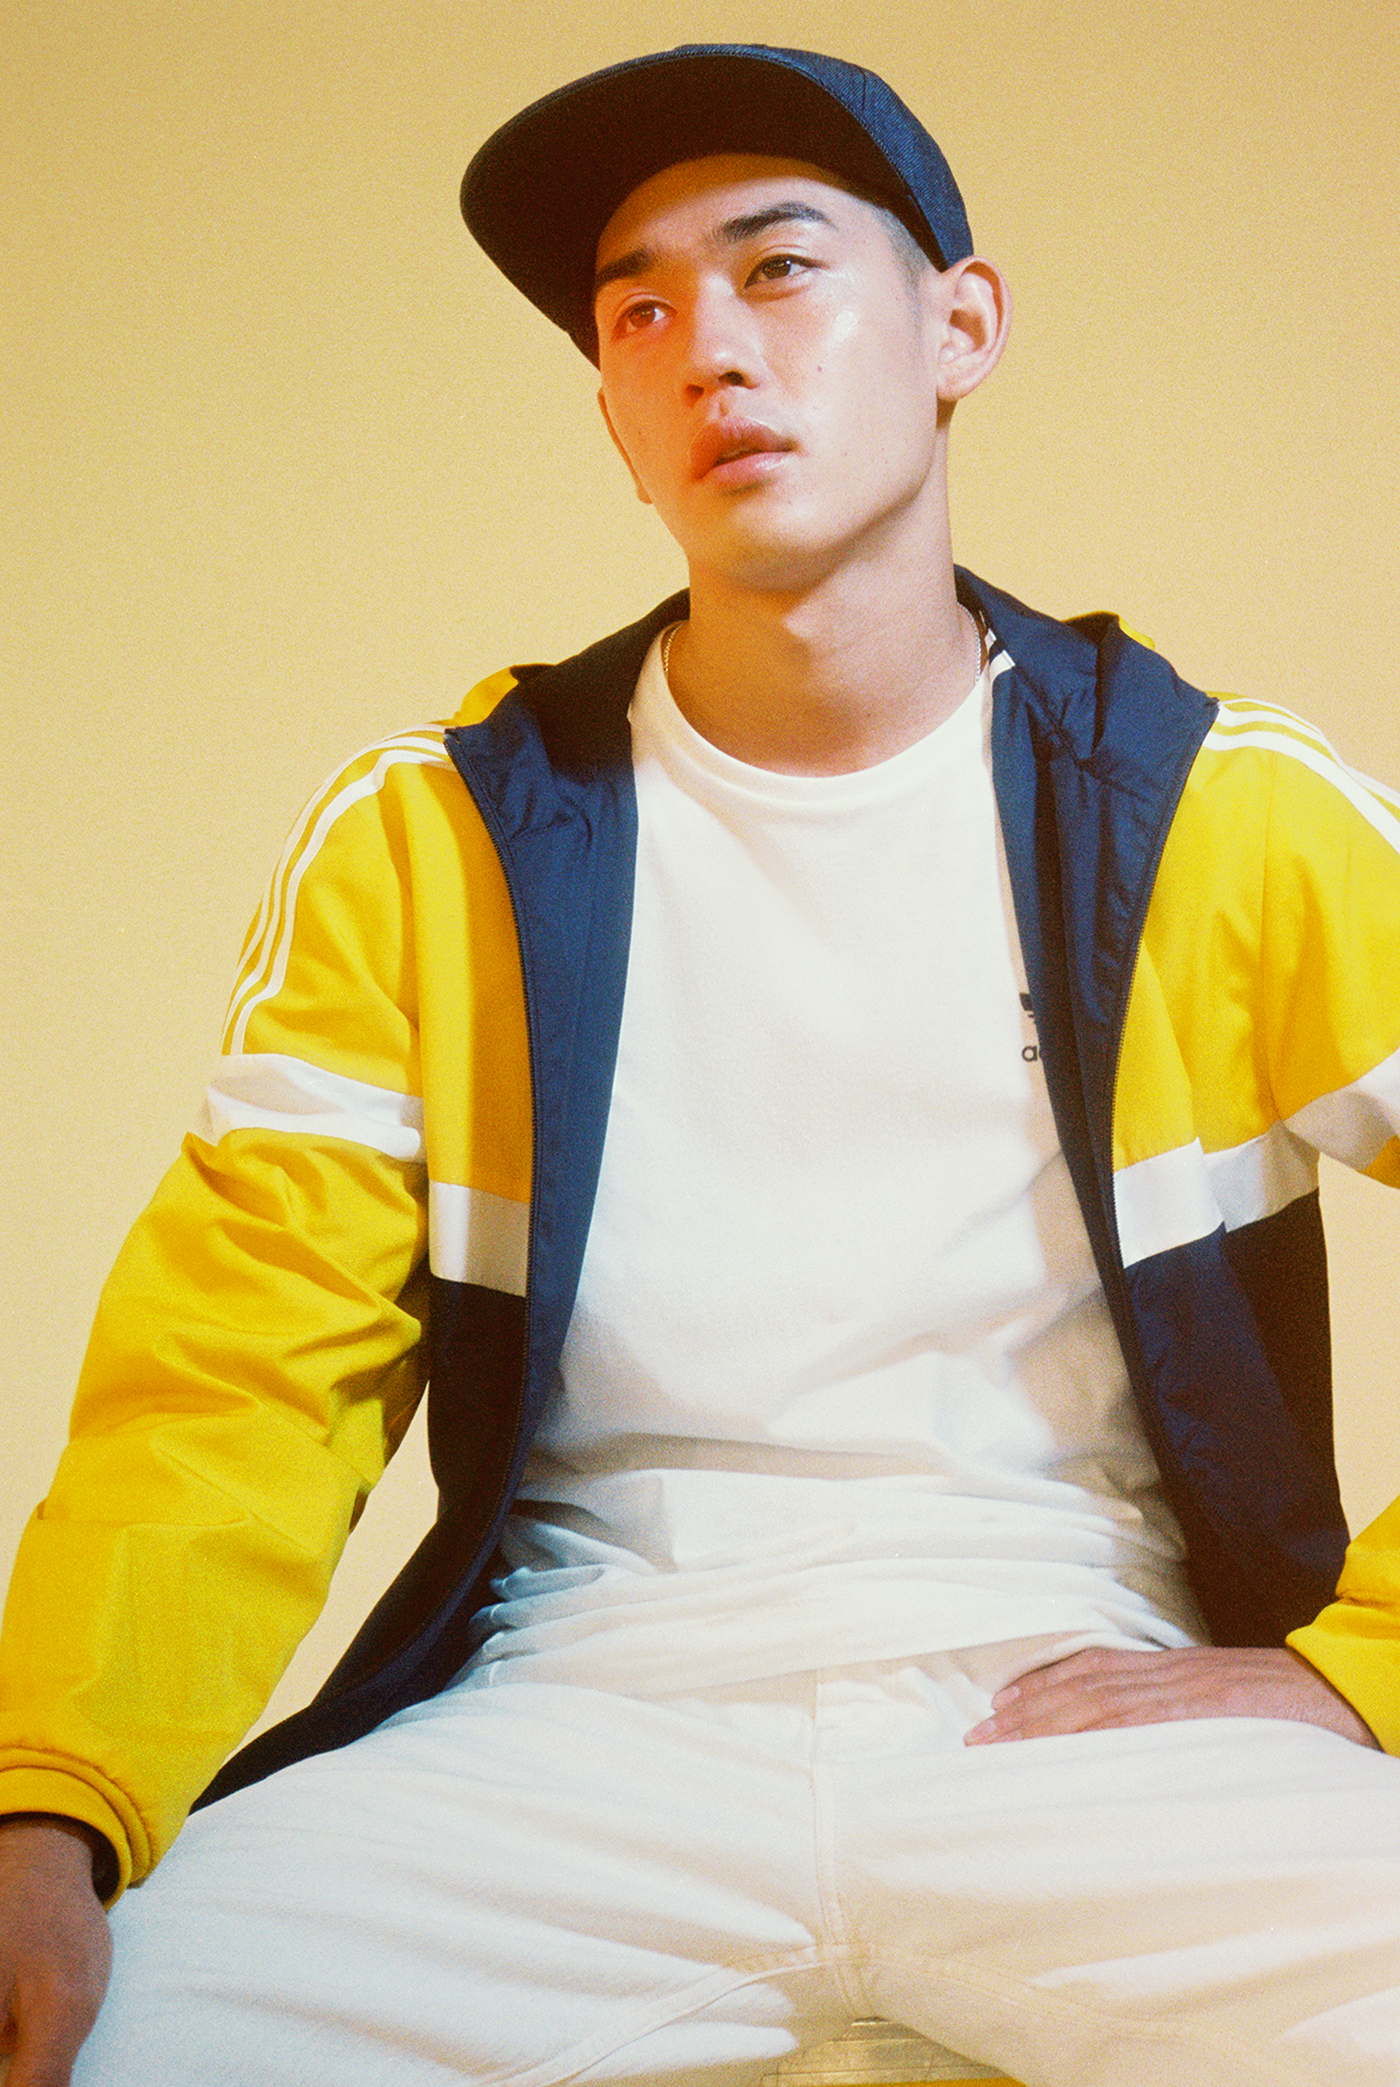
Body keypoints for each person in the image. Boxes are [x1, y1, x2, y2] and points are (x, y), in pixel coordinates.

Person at [2, 39, 1399, 2087]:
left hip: (1082, 1704)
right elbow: (231, 1385)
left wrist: (1366, 1671)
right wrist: (49, 1806)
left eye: (778, 268)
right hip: (577, 1719)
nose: (709, 348)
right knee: (119, 2044)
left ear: (959, 328)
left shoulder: (1211, 812)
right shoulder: (440, 843)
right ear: (613, 421)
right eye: (638, 311)